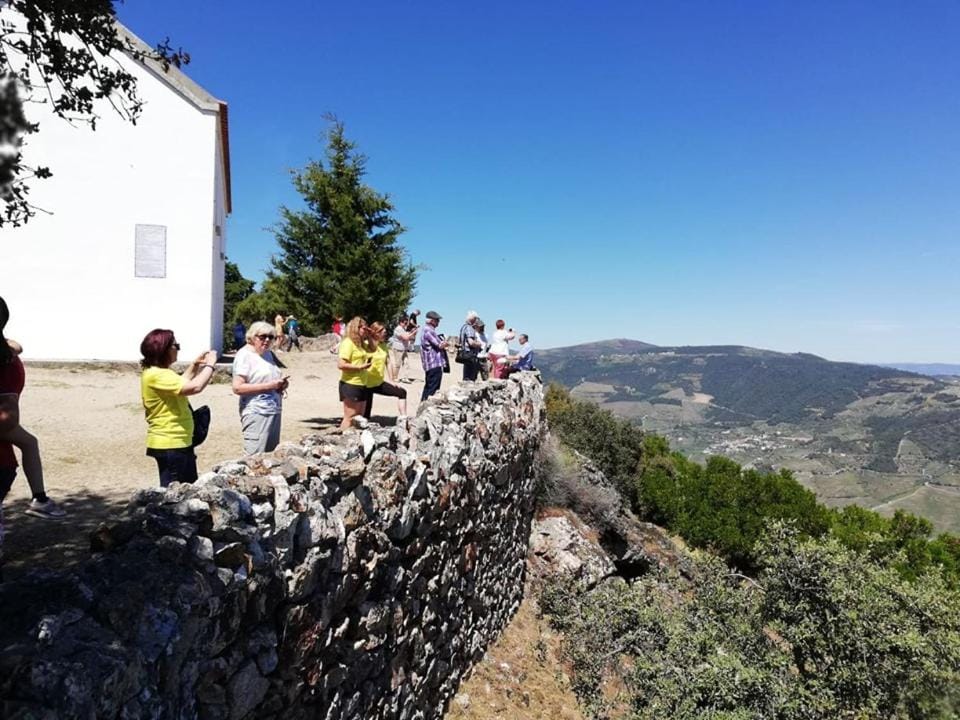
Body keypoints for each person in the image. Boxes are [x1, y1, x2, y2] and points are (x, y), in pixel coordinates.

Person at [0, 296, 66, 529]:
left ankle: (40, 498)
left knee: (29, 442)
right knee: (29, 443)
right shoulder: (8, 354)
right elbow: (7, 417)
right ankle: (39, 498)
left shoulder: (7, 354)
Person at [139, 329, 218, 486]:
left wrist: (195, 366)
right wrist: (210, 365)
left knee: (186, 490)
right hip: (171, 443)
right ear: (163, 349)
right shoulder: (157, 374)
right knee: (175, 494)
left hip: (177, 442)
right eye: (176, 345)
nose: (178, 349)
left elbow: (181, 382)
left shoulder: (159, 373)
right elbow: (194, 387)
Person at [232, 322, 289, 454]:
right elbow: (237, 388)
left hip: (273, 410)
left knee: (270, 456)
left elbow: (271, 377)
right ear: (252, 337)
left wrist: (282, 384)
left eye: (271, 337)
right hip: (256, 412)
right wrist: (270, 386)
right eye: (262, 337)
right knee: (254, 456)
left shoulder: (268, 354)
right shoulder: (244, 355)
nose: (267, 340)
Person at [363, 322, 408, 423]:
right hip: (365, 383)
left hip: (378, 382)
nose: (385, 334)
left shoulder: (383, 346)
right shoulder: (365, 344)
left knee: (402, 392)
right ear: (375, 333)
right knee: (365, 416)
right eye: (382, 332)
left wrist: (392, 380)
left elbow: (388, 362)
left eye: (385, 333)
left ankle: (404, 419)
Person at [337, 317, 372, 429]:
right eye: (363, 328)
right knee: (350, 417)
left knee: (360, 417)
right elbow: (341, 365)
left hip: (363, 383)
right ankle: (343, 436)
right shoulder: (348, 343)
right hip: (350, 384)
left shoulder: (361, 344)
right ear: (356, 328)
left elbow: (373, 348)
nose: (365, 330)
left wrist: (370, 335)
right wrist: (359, 367)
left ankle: (355, 438)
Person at [420, 311, 448, 401]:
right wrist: (446, 342)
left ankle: (423, 405)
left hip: (430, 364)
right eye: (437, 320)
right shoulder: (429, 331)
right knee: (433, 390)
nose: (438, 322)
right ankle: (427, 407)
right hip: (434, 364)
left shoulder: (426, 330)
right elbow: (439, 345)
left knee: (428, 388)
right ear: (432, 321)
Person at [388, 315, 417, 383]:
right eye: (405, 323)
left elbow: (409, 336)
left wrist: (412, 332)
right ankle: (395, 377)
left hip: (404, 348)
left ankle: (405, 377)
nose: (406, 324)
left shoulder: (403, 329)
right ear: (401, 322)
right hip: (398, 348)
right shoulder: (398, 329)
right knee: (397, 364)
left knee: (406, 363)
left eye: (406, 323)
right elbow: (405, 337)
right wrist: (413, 332)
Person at [458, 310, 483, 382]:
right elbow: (471, 342)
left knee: (466, 376)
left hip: (465, 354)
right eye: (476, 319)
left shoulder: (464, 327)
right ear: (473, 319)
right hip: (470, 355)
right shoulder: (469, 328)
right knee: (470, 377)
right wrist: (479, 344)